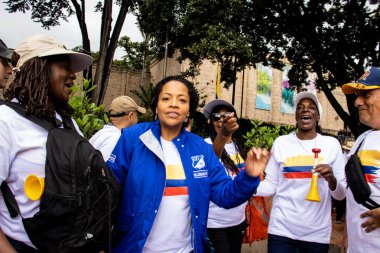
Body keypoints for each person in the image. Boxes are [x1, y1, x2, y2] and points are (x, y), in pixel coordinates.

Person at [106, 75, 270, 253]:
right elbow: (106, 194)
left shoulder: (201, 149)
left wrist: (249, 176)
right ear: (156, 106)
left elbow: (226, 195)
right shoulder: (132, 139)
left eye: (182, 100)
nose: (174, 104)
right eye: (166, 98)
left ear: (188, 112)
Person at [0, 34, 92, 253]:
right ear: (37, 70)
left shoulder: (66, 123)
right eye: (63, 66)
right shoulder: (6, 121)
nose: (73, 75)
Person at [254, 91, 346, 253]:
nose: (305, 110)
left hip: (316, 234)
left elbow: (340, 195)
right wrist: (243, 185)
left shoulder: (331, 145)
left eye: (311, 108)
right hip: (281, 230)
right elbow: (270, 185)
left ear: (318, 116)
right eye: (300, 108)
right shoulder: (281, 143)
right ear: (296, 115)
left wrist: (331, 178)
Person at [202, 99, 270, 253]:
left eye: (225, 115)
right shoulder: (205, 145)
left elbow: (247, 181)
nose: (221, 120)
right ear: (211, 122)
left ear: (234, 120)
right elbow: (207, 169)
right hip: (213, 223)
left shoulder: (240, 147)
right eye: (216, 116)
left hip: (238, 221)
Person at [341, 66, 380, 252]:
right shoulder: (362, 140)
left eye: (365, 95)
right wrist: (347, 237)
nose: (357, 102)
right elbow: (352, 194)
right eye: (357, 95)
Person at [90, 95, 146, 160]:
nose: (137, 120)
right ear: (130, 116)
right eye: (136, 116)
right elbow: (106, 169)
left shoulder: (102, 133)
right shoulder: (116, 140)